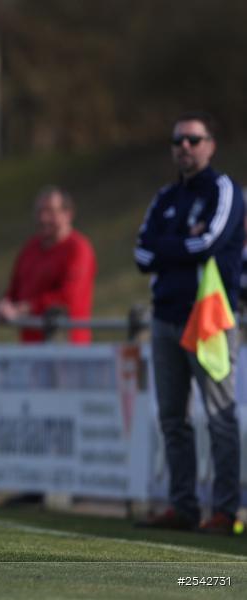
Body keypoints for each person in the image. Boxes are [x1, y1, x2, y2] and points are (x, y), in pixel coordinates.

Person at [134, 111, 244, 534]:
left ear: (210, 145)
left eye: (193, 140)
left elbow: (210, 242)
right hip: (165, 319)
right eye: (178, 140)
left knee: (219, 416)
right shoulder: (164, 197)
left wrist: (168, 247)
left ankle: (225, 511)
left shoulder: (224, 189)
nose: (184, 147)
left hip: (209, 319)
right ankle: (182, 507)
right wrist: (183, 243)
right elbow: (140, 256)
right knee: (172, 418)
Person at [0, 186, 97, 343]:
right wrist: (4, 305)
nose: (43, 218)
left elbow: (67, 298)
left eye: (50, 212)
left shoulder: (79, 249)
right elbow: (15, 290)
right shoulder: (30, 248)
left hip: (68, 352)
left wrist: (24, 309)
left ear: (67, 214)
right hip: (31, 351)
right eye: (39, 212)